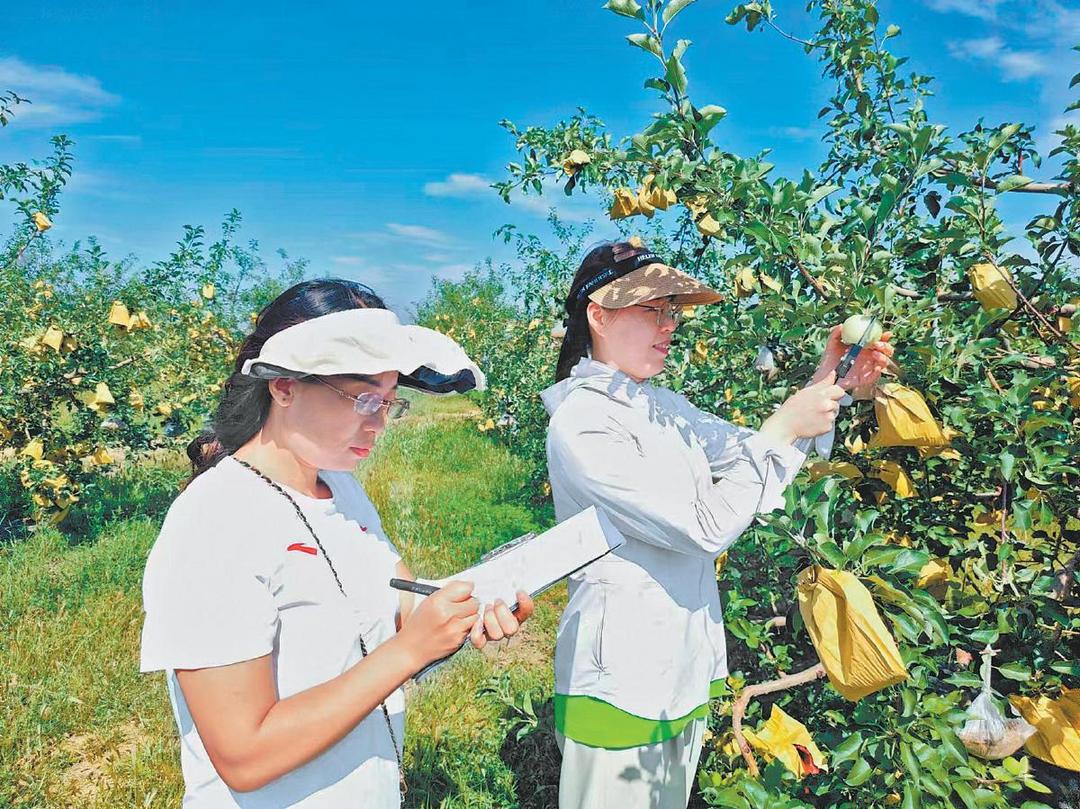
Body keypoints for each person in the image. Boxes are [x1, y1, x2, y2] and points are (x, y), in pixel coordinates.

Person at [139, 279, 535, 808]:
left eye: (390, 404)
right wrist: (409, 652)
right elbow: (244, 756)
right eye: (363, 398)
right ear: (284, 386)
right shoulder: (216, 522)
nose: (378, 425)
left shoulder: (337, 484)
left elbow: (394, 600)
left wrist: (464, 608)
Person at [541, 241, 894, 808]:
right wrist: (784, 424)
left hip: (681, 654)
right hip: (623, 673)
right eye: (650, 309)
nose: (668, 325)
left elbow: (748, 454)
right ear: (598, 315)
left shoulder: (658, 405)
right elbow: (703, 525)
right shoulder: (584, 424)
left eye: (671, 311)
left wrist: (832, 379)